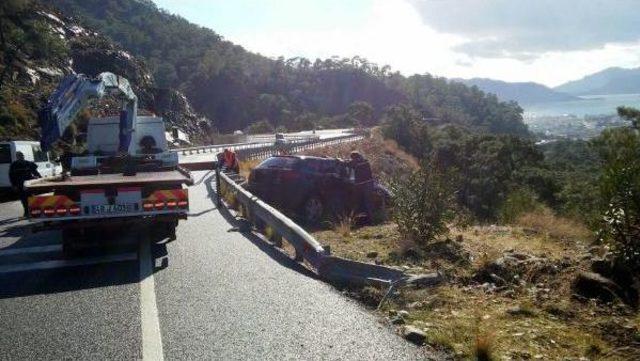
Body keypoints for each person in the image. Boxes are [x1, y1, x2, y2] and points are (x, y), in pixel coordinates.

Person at [9, 151, 41, 217]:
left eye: (21, 155)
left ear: (23, 156)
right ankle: (26, 212)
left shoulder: (28, 163)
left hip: (29, 184)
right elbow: (11, 176)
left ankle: (34, 211)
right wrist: (14, 185)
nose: (21, 157)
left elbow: (36, 172)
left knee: (31, 198)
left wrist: (40, 179)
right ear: (17, 157)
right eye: (19, 156)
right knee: (23, 199)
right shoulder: (14, 165)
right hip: (20, 184)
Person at [348, 151, 375, 222]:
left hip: (362, 185)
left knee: (363, 202)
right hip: (369, 183)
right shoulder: (365, 161)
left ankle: (367, 219)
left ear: (354, 157)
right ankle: (370, 219)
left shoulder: (356, 163)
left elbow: (348, 164)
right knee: (367, 201)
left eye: (352, 158)